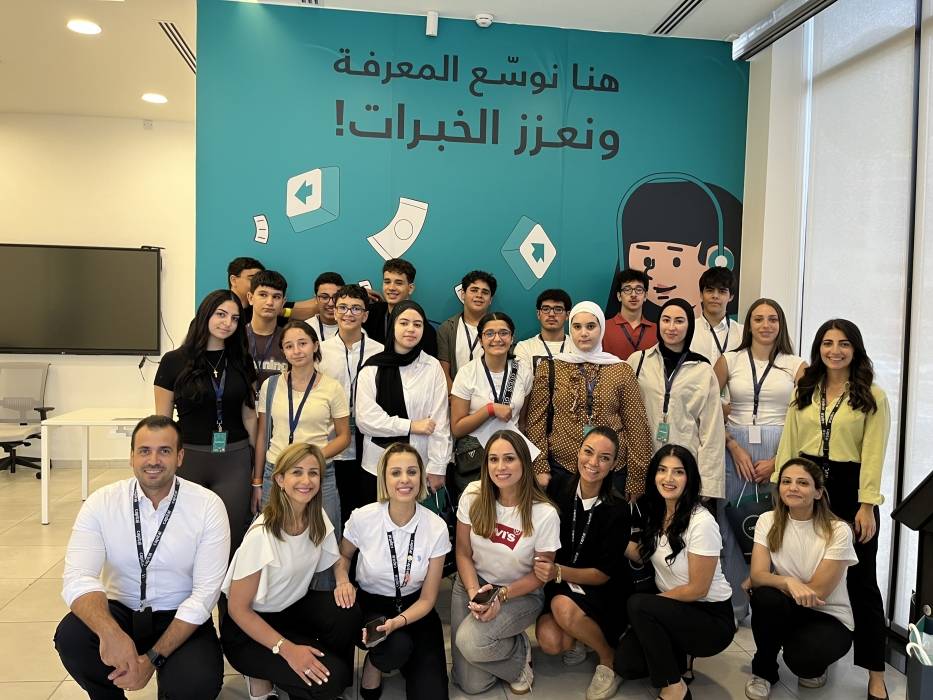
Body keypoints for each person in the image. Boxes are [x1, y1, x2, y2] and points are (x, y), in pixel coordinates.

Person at [54, 415, 230, 700]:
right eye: (145, 450)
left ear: (180, 457)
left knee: (196, 684)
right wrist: (110, 633)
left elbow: (204, 595)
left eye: (164, 451)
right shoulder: (102, 502)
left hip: (179, 615)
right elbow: (78, 577)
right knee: (72, 638)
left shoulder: (207, 506)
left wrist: (152, 659)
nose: (153, 460)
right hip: (121, 610)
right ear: (132, 456)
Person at [774, 319, 891, 700]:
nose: (835, 351)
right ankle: (811, 651)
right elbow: (789, 441)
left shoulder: (871, 396)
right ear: (818, 348)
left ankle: (875, 673)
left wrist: (867, 504)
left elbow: (873, 453)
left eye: (843, 344)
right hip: (806, 485)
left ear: (855, 349)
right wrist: (781, 486)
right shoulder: (806, 390)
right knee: (803, 567)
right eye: (827, 343)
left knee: (862, 582)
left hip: (850, 490)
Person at [222, 441, 361, 700]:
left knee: (347, 613)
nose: (306, 480)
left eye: (313, 473)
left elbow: (335, 559)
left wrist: (343, 580)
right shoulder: (262, 535)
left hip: (289, 611)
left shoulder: (316, 516)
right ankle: (266, 673)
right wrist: (286, 649)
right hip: (249, 628)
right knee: (330, 681)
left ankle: (315, 671)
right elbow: (237, 609)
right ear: (280, 480)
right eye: (297, 472)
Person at [615, 445, 734, 700]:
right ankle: (680, 657)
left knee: (638, 604)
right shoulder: (657, 511)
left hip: (710, 616)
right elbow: (647, 554)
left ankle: (674, 688)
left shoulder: (701, 522)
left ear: (689, 478)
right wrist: (612, 538)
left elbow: (697, 589)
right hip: (674, 608)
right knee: (627, 665)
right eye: (662, 470)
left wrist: (649, 606)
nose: (668, 478)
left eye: (678, 472)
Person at [711, 298, 806, 620]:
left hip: (781, 449)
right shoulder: (729, 360)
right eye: (758, 319)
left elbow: (806, 418)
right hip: (735, 450)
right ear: (748, 325)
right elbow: (708, 407)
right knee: (731, 524)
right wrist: (732, 445)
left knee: (778, 528)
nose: (766, 325)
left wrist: (779, 462)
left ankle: (773, 607)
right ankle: (736, 606)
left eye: (772, 319)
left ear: (781, 325)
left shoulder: (796, 365)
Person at [334, 443, 452, 700]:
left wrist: (397, 623)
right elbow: (343, 556)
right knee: (396, 647)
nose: (405, 479)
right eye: (396, 472)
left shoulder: (436, 527)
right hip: (371, 606)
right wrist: (342, 580)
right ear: (384, 479)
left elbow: (428, 599)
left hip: (416, 608)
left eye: (412, 472)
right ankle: (376, 663)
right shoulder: (363, 518)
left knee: (432, 694)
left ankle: (403, 657)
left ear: (421, 477)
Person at [451, 430, 561, 695]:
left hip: (519, 592)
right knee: (472, 684)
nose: (500, 467)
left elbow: (540, 575)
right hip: (473, 583)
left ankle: (518, 649)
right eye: (493, 459)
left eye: (509, 459)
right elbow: (463, 553)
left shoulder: (545, 514)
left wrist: (500, 596)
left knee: (471, 642)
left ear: (524, 462)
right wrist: (475, 595)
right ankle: (509, 648)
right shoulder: (473, 494)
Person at [743, 458, 858, 699]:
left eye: (802, 483)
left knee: (802, 661)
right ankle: (764, 671)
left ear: (818, 492)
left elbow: (817, 592)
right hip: (789, 605)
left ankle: (813, 660)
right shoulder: (767, 520)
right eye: (786, 482)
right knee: (764, 597)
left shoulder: (838, 530)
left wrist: (773, 579)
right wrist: (787, 581)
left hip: (828, 615)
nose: (793, 488)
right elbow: (757, 575)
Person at [154, 289, 257, 551]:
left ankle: (227, 580)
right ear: (205, 315)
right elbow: (162, 420)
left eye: (235, 318)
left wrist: (258, 468)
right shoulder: (173, 362)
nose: (227, 323)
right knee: (186, 534)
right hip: (188, 458)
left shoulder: (242, 361)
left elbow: (249, 416)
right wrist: (162, 461)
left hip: (234, 460)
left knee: (230, 534)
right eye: (221, 314)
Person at [534, 427, 632, 700]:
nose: (593, 462)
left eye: (604, 458)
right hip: (560, 581)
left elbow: (603, 575)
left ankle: (608, 658)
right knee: (551, 642)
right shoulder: (558, 488)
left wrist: (557, 572)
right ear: (578, 452)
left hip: (600, 587)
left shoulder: (618, 509)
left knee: (562, 608)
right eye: (588, 452)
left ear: (614, 464)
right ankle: (580, 635)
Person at [525, 301, 654, 499]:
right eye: (577, 327)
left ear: (601, 329)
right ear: (570, 329)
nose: (584, 333)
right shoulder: (550, 368)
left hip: (611, 470)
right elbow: (536, 422)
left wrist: (636, 479)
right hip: (563, 468)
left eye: (591, 326)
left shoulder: (621, 370)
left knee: (607, 519)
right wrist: (540, 466)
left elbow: (636, 426)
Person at [253, 321, 350, 552]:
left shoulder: (332, 387)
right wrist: (257, 481)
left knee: (324, 541)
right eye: (289, 346)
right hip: (276, 473)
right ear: (283, 352)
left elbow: (344, 437)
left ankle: (323, 580)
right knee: (273, 542)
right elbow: (263, 435)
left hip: (318, 473)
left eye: (302, 343)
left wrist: (311, 459)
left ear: (315, 346)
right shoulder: (271, 385)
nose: (296, 351)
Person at [627, 298, 725, 501]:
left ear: (689, 326)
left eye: (679, 321)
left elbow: (712, 430)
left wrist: (707, 486)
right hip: (644, 463)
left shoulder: (702, 369)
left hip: (684, 465)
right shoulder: (638, 361)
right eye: (666, 320)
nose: (671, 327)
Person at [356, 300, 451, 497]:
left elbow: (440, 421)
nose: (411, 329)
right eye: (404, 323)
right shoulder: (372, 367)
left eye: (417, 324)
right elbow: (366, 420)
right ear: (392, 325)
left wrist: (438, 466)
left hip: (419, 467)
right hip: (377, 467)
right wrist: (411, 426)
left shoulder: (432, 367)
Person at [319, 284, 385, 528]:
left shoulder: (380, 352)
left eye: (356, 308)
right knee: (336, 505)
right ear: (335, 312)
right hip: (331, 438)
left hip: (368, 439)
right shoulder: (320, 351)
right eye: (343, 308)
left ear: (365, 315)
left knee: (367, 505)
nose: (349, 313)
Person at [451, 311, 534, 447]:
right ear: (480, 340)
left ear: (512, 338)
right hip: (476, 451)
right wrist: (489, 410)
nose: (497, 339)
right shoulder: (467, 373)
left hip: (510, 448)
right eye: (489, 333)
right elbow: (457, 429)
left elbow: (522, 422)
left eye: (503, 333)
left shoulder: (523, 372)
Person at [363, 258, 438, 357]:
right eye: (387, 282)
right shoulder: (371, 314)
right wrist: (359, 295)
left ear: (410, 288)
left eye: (398, 283)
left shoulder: (424, 329)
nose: (391, 288)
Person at [438, 270, 497, 388]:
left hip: (490, 395)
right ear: (463, 294)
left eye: (485, 292)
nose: (479, 295)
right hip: (454, 395)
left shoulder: (500, 330)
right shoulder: (448, 328)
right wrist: (453, 396)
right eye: (474, 290)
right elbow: (443, 371)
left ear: (490, 299)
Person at [227, 256, 317, 324]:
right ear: (233, 280)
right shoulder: (221, 306)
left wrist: (282, 311)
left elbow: (314, 307)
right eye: (252, 279)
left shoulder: (269, 305)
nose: (269, 302)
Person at [689, 267, 743, 365]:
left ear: (731, 297)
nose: (715, 296)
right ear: (701, 294)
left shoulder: (742, 333)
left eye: (722, 291)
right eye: (710, 290)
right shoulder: (688, 330)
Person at [246, 270, 289, 388]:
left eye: (276, 297)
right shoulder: (235, 338)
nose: (270, 302)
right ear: (250, 298)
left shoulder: (290, 340)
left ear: (283, 302)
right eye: (263, 295)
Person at [603, 269, 658, 360]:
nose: (633, 294)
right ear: (619, 296)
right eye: (627, 289)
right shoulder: (603, 328)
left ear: (645, 296)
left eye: (639, 290)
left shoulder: (657, 330)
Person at [513, 289, 572, 372]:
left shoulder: (576, 347)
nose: (551, 314)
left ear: (567, 315)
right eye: (546, 309)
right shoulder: (524, 348)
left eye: (558, 309)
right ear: (538, 314)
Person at [306, 272, 345, 342]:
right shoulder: (305, 329)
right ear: (316, 299)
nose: (331, 303)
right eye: (324, 297)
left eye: (336, 297)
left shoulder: (354, 329)